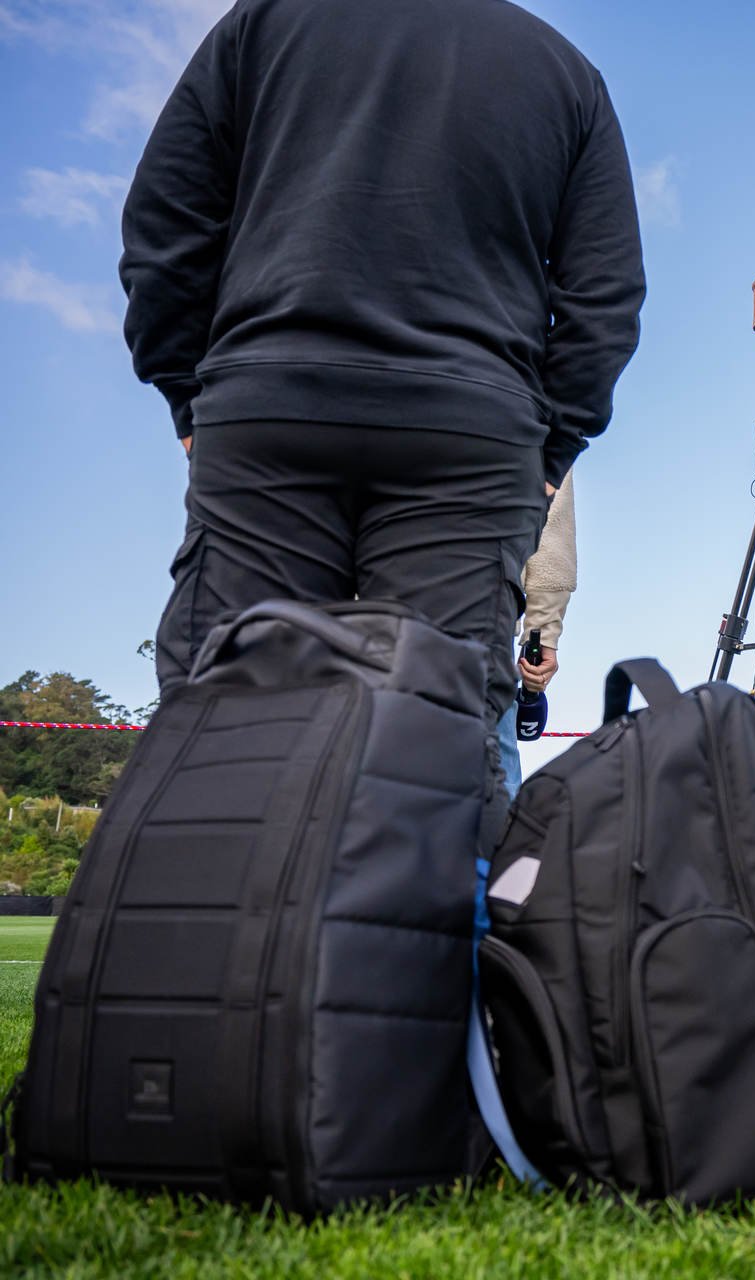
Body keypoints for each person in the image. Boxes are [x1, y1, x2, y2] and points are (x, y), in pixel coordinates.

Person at [123, 0, 645, 842]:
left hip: (273, 406)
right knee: (439, 745)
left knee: (228, 723)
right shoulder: (563, 72)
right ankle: (426, 969)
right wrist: (550, 448)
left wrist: (189, 391)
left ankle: (209, 965)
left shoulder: (264, 26)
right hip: (469, 433)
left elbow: (167, 223)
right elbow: (603, 297)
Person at [498, 470, 578, 800]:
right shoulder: (530, 417)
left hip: (363, 621)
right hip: (481, 617)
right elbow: (551, 514)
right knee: (491, 797)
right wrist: (543, 631)